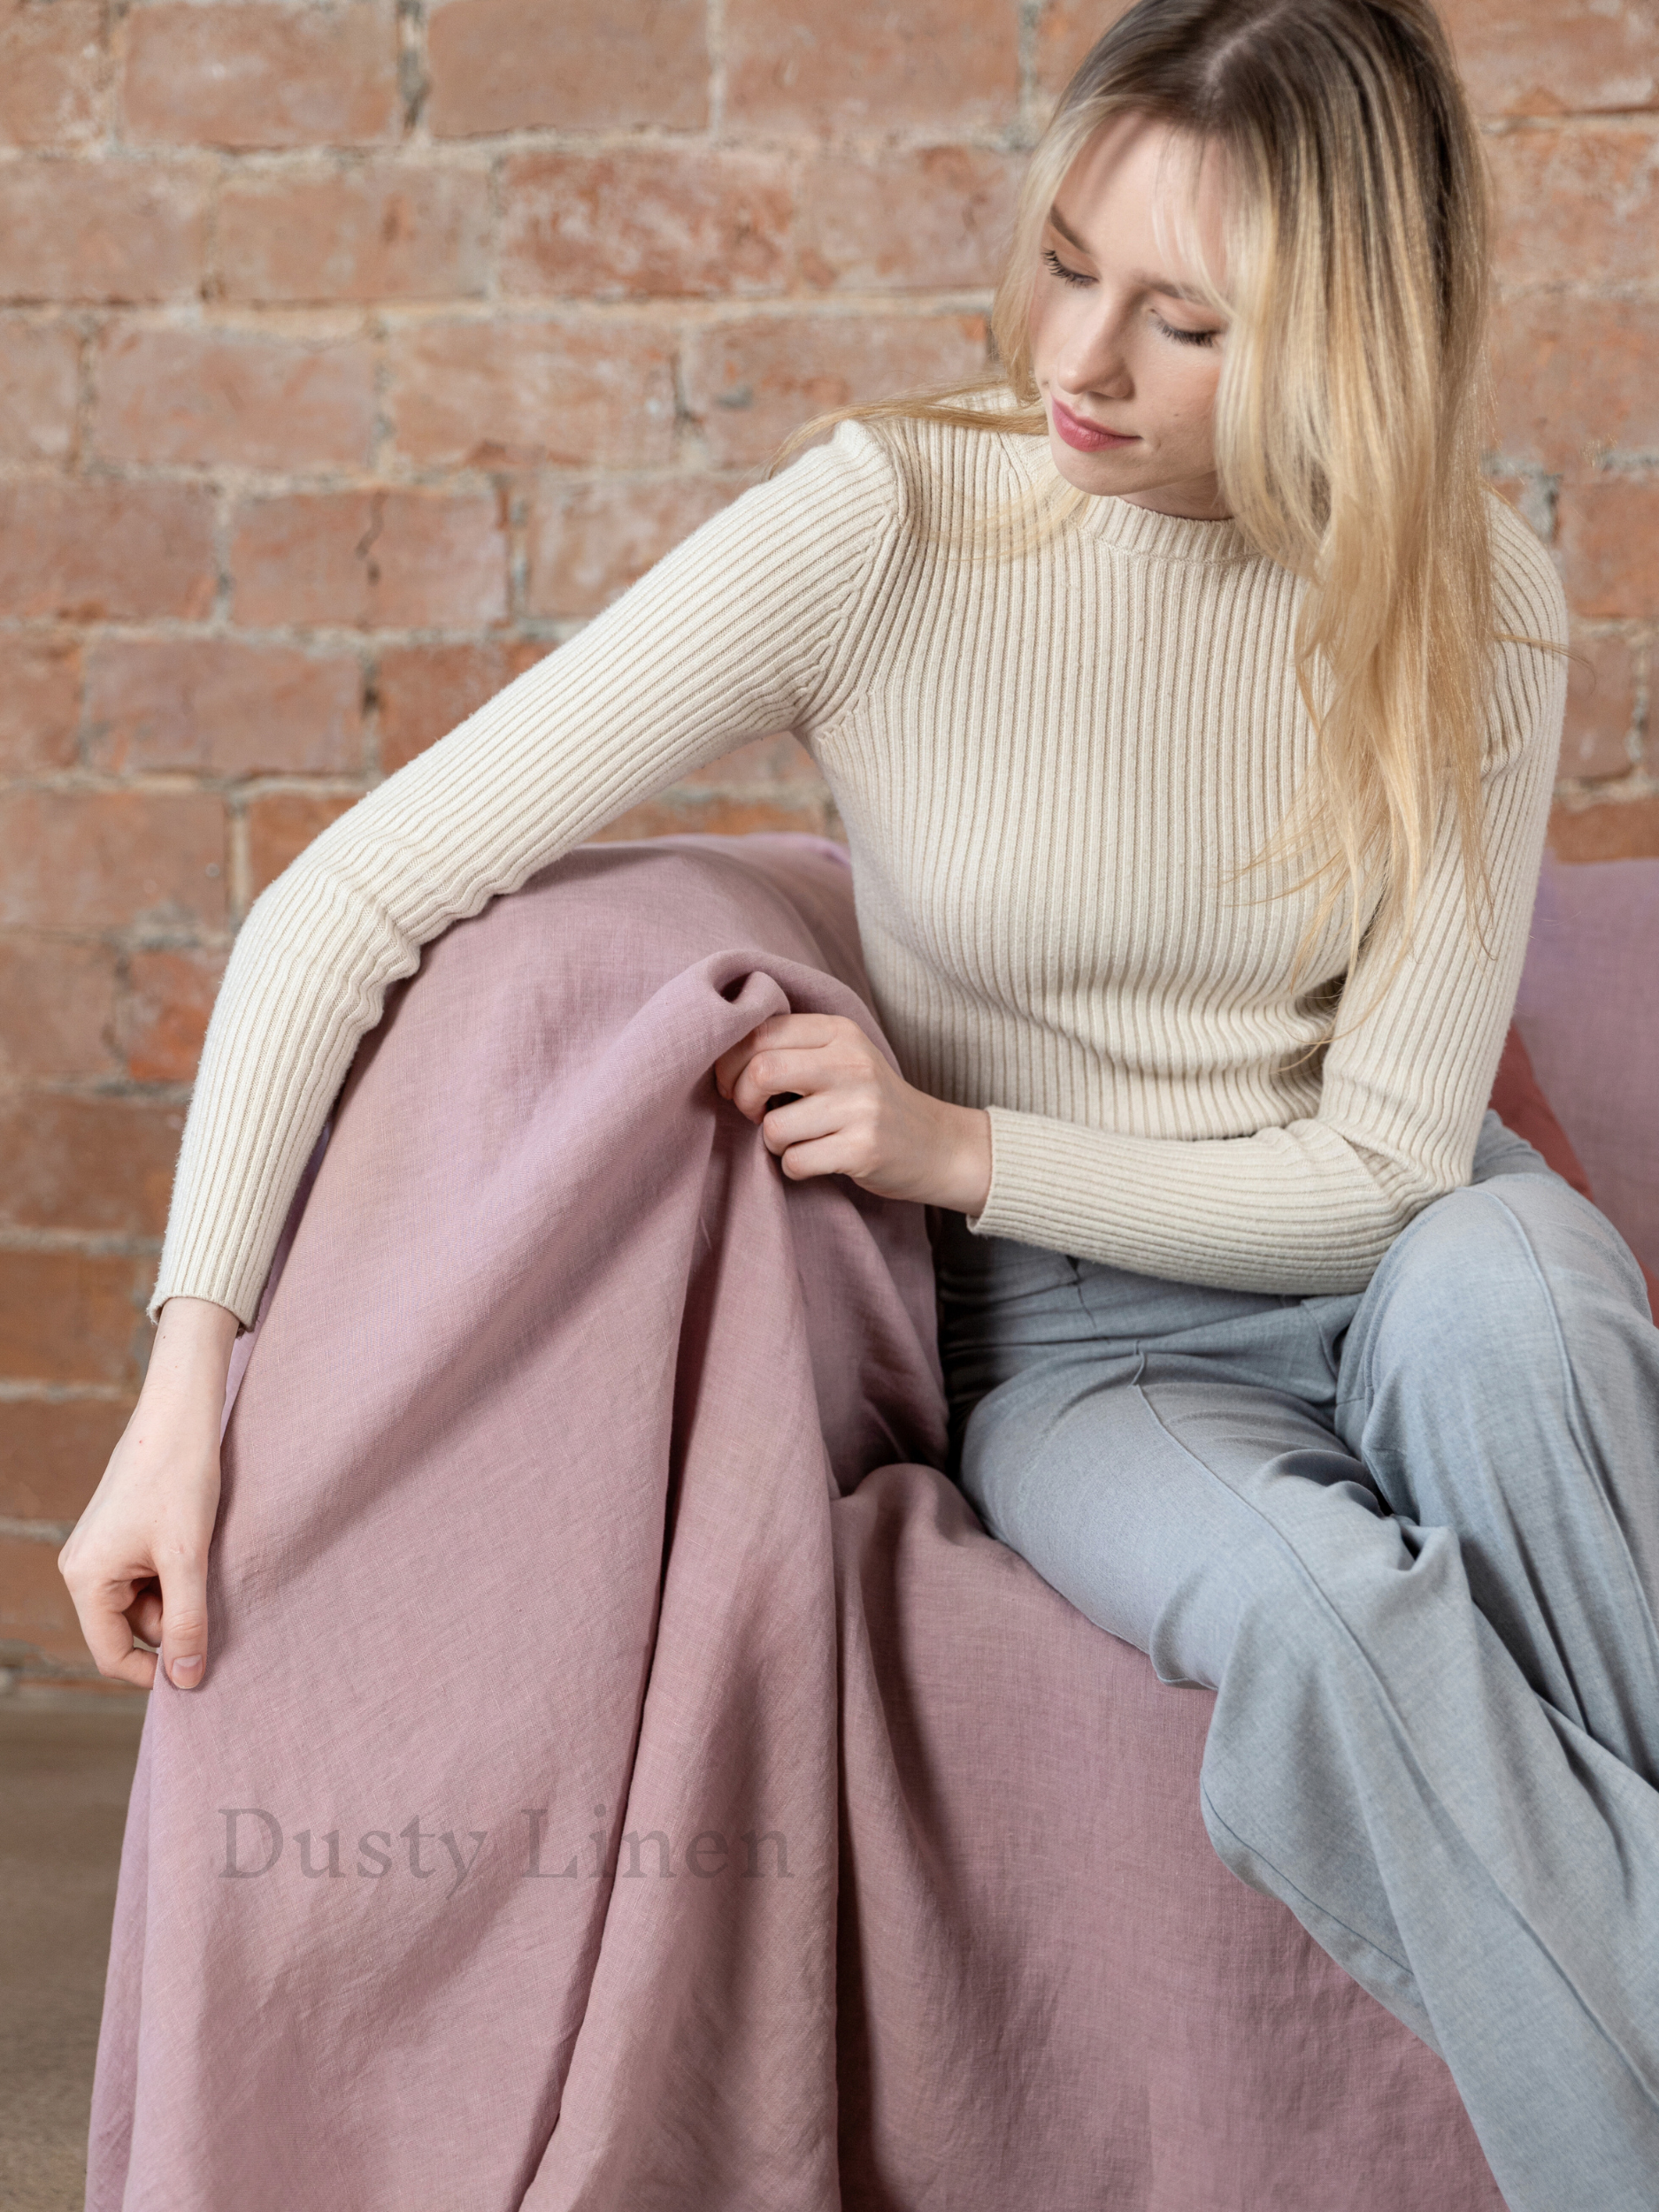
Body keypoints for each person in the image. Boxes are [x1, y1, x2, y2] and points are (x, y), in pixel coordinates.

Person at [58, 0, 1659, 2202]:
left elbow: (1387, 1163)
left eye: (1183, 320)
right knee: (1325, 1624)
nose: (1078, 357)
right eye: (1067, 257)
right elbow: (352, 897)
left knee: (1534, 1306)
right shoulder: (887, 528)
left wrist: (956, 1142)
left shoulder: (1467, 597)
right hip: (1088, 1342)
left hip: (1385, 1236)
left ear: (1353, 348)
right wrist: (181, 1389)